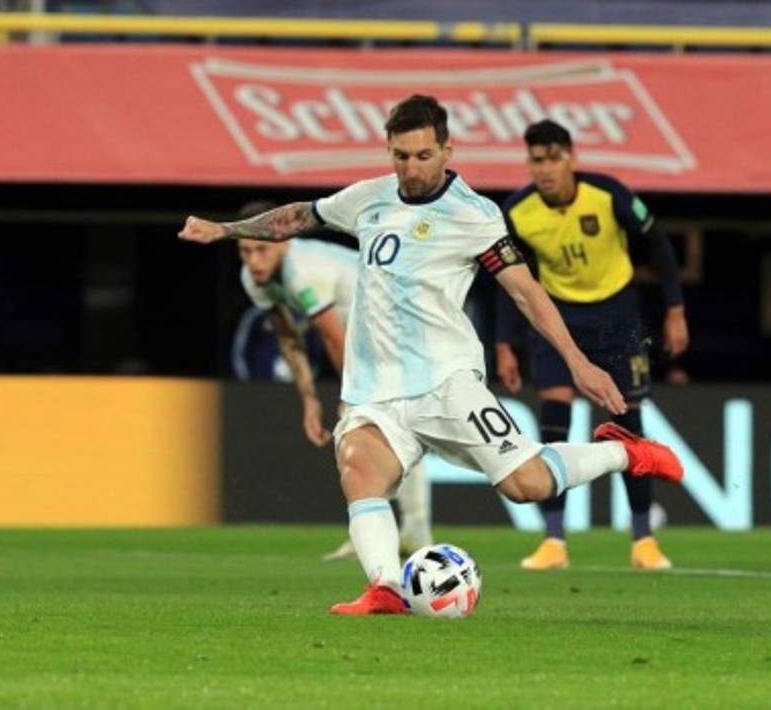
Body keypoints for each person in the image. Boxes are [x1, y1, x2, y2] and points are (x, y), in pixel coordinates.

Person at [180, 94, 684, 615]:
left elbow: (526, 292)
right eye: (400, 155)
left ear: (447, 149)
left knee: (526, 484)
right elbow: (301, 217)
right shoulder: (369, 198)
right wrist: (227, 230)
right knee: (359, 468)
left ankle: (627, 451)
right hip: (376, 388)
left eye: (423, 156)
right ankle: (385, 587)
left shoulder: (475, 215)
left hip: (446, 382)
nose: (411, 168)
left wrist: (578, 361)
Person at [495, 120, 688, 571]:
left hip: (617, 317)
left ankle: (643, 539)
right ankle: (554, 540)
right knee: (554, 418)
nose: (545, 169)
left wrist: (675, 309)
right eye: (536, 160)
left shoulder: (608, 194)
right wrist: (505, 343)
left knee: (627, 421)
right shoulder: (518, 211)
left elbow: (658, 244)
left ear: (572, 158)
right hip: (557, 320)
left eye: (553, 158)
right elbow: (509, 279)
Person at [233, 200, 434, 561]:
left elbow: (331, 336)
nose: (253, 261)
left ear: (283, 241)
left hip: (396, 323)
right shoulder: (253, 279)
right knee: (381, 431)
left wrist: (356, 394)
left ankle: (407, 529)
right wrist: (309, 399)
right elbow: (289, 338)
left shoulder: (303, 270)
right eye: (245, 251)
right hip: (367, 335)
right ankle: (403, 530)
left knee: (377, 427)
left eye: (261, 249)